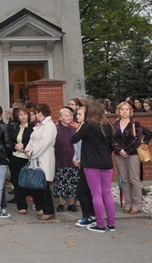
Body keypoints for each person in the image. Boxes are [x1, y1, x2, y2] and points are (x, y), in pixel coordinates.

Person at [71, 99, 116, 233]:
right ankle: (111, 224)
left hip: (91, 164)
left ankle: (100, 224)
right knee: (107, 193)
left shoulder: (88, 125)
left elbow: (74, 139)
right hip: (107, 163)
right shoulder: (108, 125)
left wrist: (81, 127)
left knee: (96, 194)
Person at [25, 103, 57, 220]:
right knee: (36, 184)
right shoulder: (39, 125)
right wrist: (28, 150)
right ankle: (42, 208)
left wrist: (32, 153)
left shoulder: (49, 126)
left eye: (36, 112)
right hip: (35, 158)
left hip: (44, 158)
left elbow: (44, 143)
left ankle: (49, 211)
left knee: (43, 185)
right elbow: (32, 139)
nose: (35, 115)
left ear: (41, 113)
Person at [111, 101, 144, 214]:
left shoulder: (136, 124)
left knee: (134, 179)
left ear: (130, 112)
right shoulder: (114, 124)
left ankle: (137, 204)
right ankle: (128, 203)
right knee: (124, 179)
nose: (124, 112)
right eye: (122, 109)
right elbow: (112, 140)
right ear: (118, 111)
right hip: (119, 154)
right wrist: (120, 150)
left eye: (126, 109)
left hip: (133, 154)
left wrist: (127, 151)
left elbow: (138, 140)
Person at [72, 106, 96, 227]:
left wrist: (81, 160)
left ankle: (88, 216)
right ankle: (91, 215)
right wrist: (75, 159)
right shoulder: (80, 126)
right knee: (86, 191)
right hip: (80, 163)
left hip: (86, 163)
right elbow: (76, 147)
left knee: (81, 191)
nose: (77, 116)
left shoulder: (87, 127)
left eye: (80, 114)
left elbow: (85, 147)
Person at [8, 106, 34, 214]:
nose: (23, 117)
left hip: (27, 158)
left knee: (30, 181)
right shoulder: (15, 127)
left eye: (24, 114)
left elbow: (34, 141)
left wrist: (24, 147)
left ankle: (38, 203)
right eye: (20, 115)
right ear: (17, 117)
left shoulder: (32, 128)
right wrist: (15, 146)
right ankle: (21, 206)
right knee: (17, 181)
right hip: (15, 157)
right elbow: (9, 140)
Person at [54, 107, 79, 213]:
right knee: (60, 181)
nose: (69, 117)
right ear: (60, 118)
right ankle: (60, 202)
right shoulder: (56, 129)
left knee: (73, 181)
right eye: (66, 116)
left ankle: (71, 203)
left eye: (70, 116)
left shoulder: (74, 129)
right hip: (60, 159)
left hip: (72, 160)